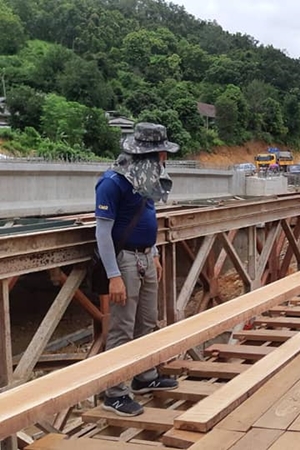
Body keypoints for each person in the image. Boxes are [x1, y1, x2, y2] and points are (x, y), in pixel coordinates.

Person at [94, 123, 179, 417]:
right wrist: (113, 275)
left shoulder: (145, 179)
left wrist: (153, 252)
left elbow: (146, 217)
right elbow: (103, 233)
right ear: (147, 155)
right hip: (125, 261)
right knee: (122, 327)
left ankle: (144, 376)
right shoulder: (112, 183)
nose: (164, 159)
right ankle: (115, 392)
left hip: (145, 256)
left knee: (147, 320)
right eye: (160, 154)